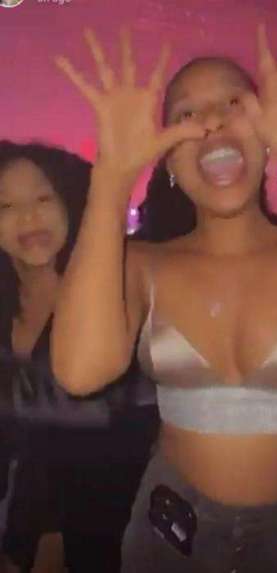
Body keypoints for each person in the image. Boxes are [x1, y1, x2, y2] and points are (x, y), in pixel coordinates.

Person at [50, 1, 277, 569]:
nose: (210, 123)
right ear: (168, 160)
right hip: (172, 533)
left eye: (234, 104)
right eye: (186, 114)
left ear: (268, 133)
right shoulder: (143, 263)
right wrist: (112, 177)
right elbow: (81, 371)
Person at [0, 141, 158, 573]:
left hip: (112, 530)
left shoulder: (114, 294)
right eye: (6, 205)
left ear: (70, 200)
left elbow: (130, 433)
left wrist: (50, 537)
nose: (28, 218)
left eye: (42, 198)